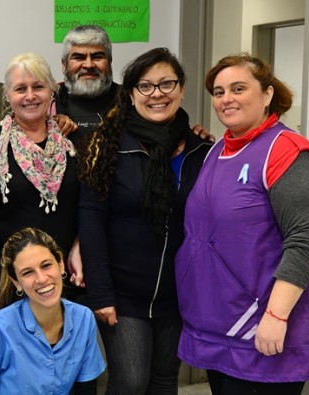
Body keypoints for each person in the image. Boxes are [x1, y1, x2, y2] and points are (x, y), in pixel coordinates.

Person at [175, 54, 309, 395]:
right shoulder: (217, 148)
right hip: (221, 323)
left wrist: (276, 316)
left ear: (267, 94)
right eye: (218, 92)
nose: (226, 99)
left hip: (266, 327)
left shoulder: (289, 152)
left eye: (238, 88)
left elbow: (307, 239)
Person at [76, 48, 213, 394]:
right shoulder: (106, 146)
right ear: (132, 93)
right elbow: (90, 221)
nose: (157, 94)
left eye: (166, 84)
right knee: (131, 382)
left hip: (179, 294)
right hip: (124, 294)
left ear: (182, 89)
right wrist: (101, 292)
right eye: (146, 86)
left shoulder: (203, 151)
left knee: (165, 382)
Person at [0, 53, 83, 317]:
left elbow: (86, 207)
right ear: (7, 95)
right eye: (20, 89)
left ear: (52, 91)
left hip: (64, 274)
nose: (30, 96)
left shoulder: (74, 143)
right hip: (6, 278)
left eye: (38, 87)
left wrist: (80, 246)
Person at [0, 227, 104, 394]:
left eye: (46, 265)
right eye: (27, 272)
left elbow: (87, 390)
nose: (41, 279)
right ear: (15, 281)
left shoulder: (83, 318)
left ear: (60, 263)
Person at [55, 25, 120, 143]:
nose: (89, 65)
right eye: (79, 57)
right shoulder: (49, 103)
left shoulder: (131, 99)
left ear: (110, 62)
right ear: (64, 65)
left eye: (97, 57)